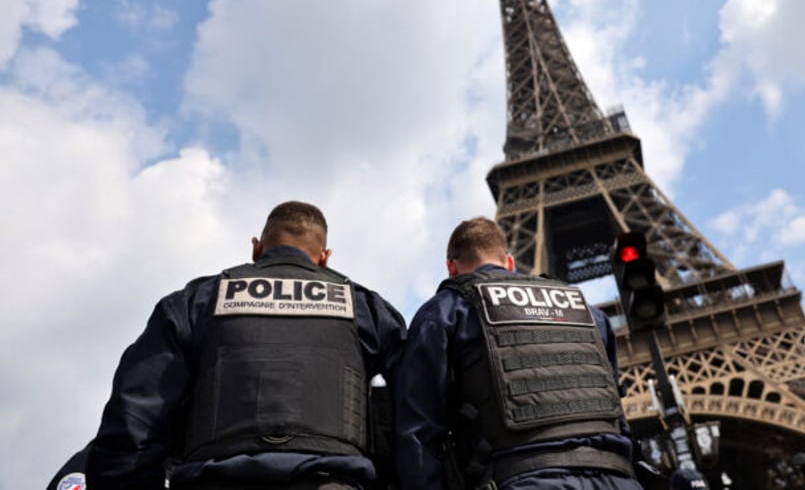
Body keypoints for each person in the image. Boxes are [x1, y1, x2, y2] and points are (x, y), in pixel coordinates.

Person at [86, 200, 407, 490]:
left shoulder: (194, 304)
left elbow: (134, 417)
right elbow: (418, 407)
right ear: (325, 257)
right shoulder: (367, 310)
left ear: (256, 248)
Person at [394, 216, 643, 489]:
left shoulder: (445, 311)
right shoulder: (589, 313)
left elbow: (418, 433)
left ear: (451, 268)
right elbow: (618, 417)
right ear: (510, 262)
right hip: (619, 478)